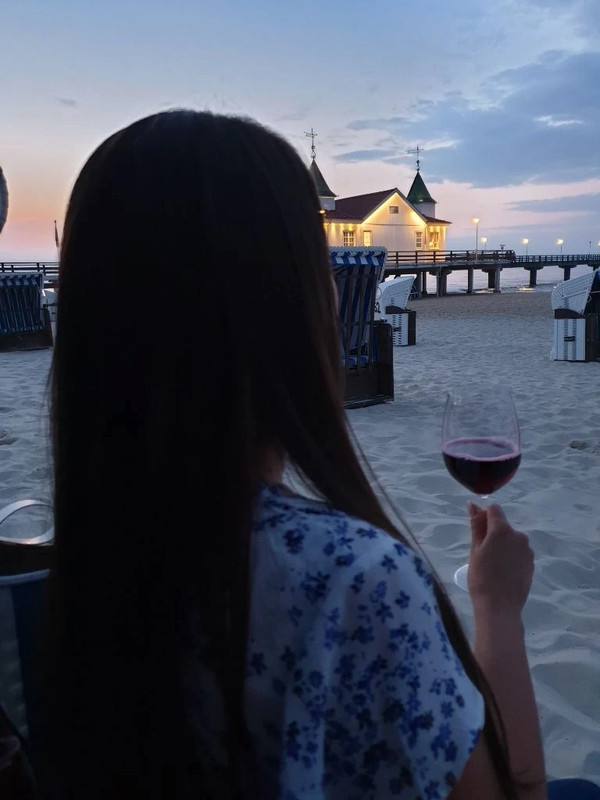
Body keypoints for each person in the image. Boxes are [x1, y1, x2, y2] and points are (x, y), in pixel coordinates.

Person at [40, 110, 598, 800]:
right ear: (284, 302)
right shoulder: (353, 577)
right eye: (317, 260)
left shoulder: (75, 561)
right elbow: (518, 793)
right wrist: (499, 608)